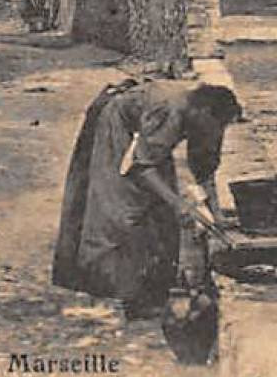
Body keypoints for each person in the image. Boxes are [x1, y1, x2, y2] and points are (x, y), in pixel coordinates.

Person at [52, 78, 243, 318]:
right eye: (216, 125)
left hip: (147, 130)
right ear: (203, 112)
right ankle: (120, 293)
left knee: (161, 207)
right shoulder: (172, 110)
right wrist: (179, 203)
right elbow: (142, 167)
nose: (217, 132)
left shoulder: (207, 118)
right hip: (116, 123)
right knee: (122, 208)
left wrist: (217, 217)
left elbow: (204, 166)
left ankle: (154, 287)